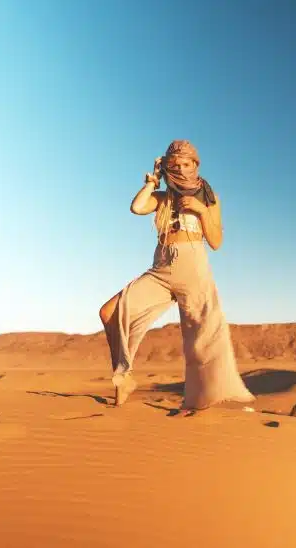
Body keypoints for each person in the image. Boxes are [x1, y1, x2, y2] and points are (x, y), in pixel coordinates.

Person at [98, 139, 255, 413]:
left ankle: (197, 402)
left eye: (186, 164)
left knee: (200, 337)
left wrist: (201, 210)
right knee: (109, 312)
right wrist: (152, 181)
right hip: (162, 267)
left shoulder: (209, 197)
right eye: (174, 165)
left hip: (193, 265)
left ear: (195, 165)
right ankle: (123, 378)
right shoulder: (163, 198)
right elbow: (137, 207)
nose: (181, 169)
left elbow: (216, 241)